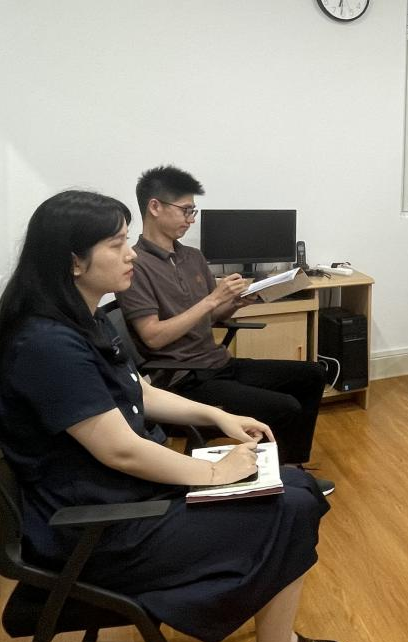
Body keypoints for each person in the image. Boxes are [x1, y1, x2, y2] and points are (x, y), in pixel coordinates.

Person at [0, 190, 349, 642]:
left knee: (294, 485)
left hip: (123, 498)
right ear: (74, 262)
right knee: (292, 505)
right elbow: (121, 450)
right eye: (116, 245)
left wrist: (217, 414)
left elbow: (140, 390)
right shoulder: (47, 345)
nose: (130, 254)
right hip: (99, 532)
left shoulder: (83, 318)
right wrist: (213, 472)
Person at [116, 166, 333, 494]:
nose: (191, 219)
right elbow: (153, 336)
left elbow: (211, 315)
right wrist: (212, 300)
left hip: (218, 363)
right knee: (284, 406)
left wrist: (235, 303)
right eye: (185, 210)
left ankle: (290, 467)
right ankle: (281, 480)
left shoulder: (192, 257)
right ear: (155, 207)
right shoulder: (136, 267)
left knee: (312, 374)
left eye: (193, 211)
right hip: (183, 378)